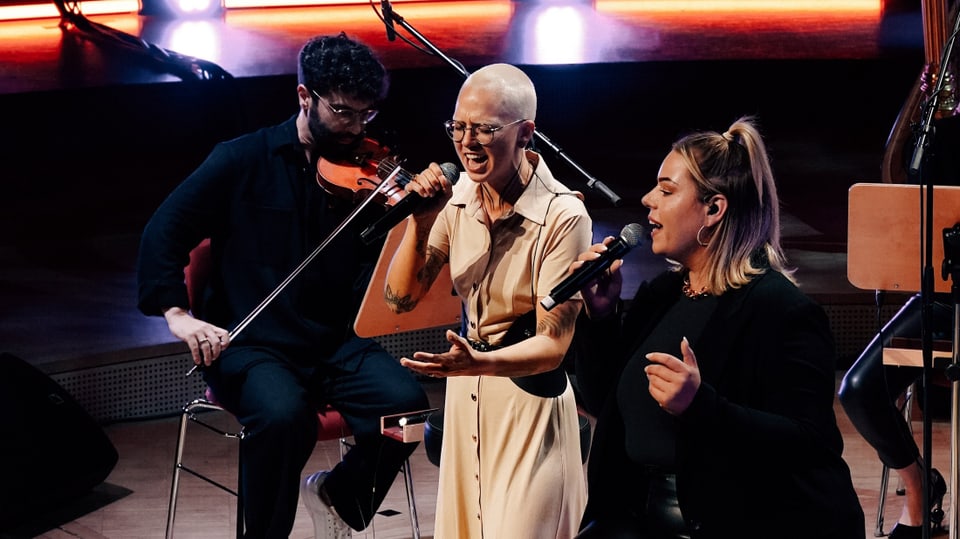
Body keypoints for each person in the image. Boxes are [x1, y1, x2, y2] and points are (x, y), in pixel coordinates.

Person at [136, 33, 430, 539]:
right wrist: (178, 315)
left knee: (407, 411)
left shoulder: (368, 178)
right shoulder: (239, 160)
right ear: (304, 96)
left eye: (367, 115)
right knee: (281, 416)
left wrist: (417, 221)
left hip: (334, 342)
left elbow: (380, 273)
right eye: (343, 113)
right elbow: (163, 232)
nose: (357, 129)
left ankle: (341, 496)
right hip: (251, 346)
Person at [571, 116, 865, 538]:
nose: (648, 199)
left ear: (714, 209)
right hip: (637, 513)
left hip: (734, 519)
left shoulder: (781, 311)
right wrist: (600, 318)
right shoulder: (661, 295)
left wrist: (700, 406)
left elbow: (809, 444)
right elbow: (607, 406)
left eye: (667, 190)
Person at [382, 63, 591, 538]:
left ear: (525, 133)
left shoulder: (562, 215)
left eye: (485, 129)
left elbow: (553, 347)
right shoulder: (459, 199)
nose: (467, 141)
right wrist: (420, 220)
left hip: (528, 407)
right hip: (467, 395)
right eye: (459, 126)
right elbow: (400, 299)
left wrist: (478, 362)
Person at [837, 112, 960, 539]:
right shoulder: (947, 130)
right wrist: (922, 111)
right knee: (858, 389)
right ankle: (919, 486)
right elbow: (902, 185)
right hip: (945, 299)